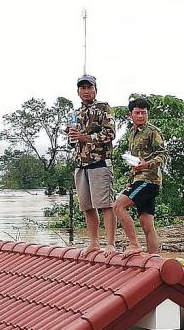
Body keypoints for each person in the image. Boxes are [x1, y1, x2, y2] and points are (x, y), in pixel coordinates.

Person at [68, 75, 117, 256]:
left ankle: (110, 243)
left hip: (99, 161)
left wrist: (86, 137)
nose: (86, 91)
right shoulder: (74, 113)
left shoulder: (104, 108)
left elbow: (110, 134)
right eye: (82, 88)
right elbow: (72, 141)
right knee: (87, 206)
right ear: (78, 91)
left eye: (89, 87)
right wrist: (72, 135)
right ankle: (94, 243)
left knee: (105, 204)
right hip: (80, 164)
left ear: (96, 89)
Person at [113, 98, 167, 257]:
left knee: (118, 206)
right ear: (131, 115)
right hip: (137, 179)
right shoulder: (131, 134)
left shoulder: (153, 131)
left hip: (149, 180)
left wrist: (147, 164)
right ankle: (154, 258)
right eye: (137, 112)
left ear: (148, 114)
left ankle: (134, 244)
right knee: (146, 223)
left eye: (144, 112)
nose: (141, 115)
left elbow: (163, 155)